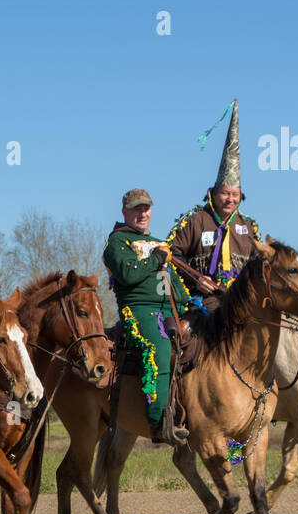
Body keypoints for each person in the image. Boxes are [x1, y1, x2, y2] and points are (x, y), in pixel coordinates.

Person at [103, 188, 191, 447]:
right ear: (124, 212)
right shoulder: (117, 243)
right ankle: (159, 421)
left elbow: (174, 282)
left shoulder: (156, 241)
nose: (143, 214)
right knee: (160, 348)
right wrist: (155, 259)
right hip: (139, 310)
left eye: (146, 208)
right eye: (136, 209)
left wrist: (190, 303)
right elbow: (128, 275)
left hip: (170, 311)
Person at [167, 99, 262, 300]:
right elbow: (171, 254)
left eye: (235, 195)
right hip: (203, 299)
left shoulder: (248, 226)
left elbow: (259, 262)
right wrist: (196, 278)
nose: (230, 199)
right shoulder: (195, 220)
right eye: (225, 193)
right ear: (213, 193)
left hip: (241, 300)